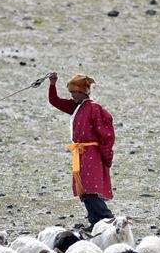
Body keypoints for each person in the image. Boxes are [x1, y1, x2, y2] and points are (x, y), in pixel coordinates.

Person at [48, 72, 115, 230]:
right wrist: (52, 84)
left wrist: (107, 155)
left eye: (75, 93)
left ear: (83, 92)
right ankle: (95, 223)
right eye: (71, 93)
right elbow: (55, 101)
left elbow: (106, 134)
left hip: (92, 153)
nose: (72, 96)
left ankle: (108, 220)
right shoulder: (76, 107)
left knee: (91, 190)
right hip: (80, 154)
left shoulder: (94, 108)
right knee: (83, 190)